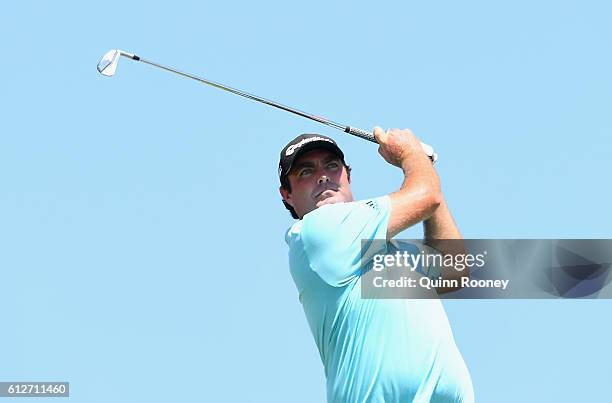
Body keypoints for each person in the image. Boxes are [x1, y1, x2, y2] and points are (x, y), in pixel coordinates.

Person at [278, 128, 475, 403]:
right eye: (305, 172)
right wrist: (411, 155)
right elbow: (426, 195)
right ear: (287, 195)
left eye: (332, 166)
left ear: (348, 175)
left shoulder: (384, 249)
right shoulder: (317, 231)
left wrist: (423, 165)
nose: (322, 175)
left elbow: (453, 271)